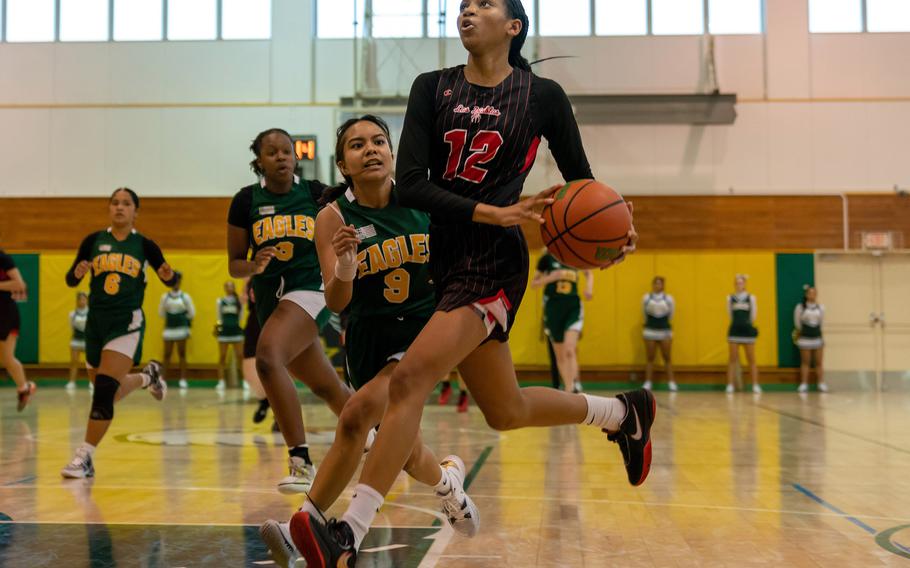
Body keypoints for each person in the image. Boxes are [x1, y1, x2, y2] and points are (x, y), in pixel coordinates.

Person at [287, 3, 651, 565]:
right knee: (504, 411)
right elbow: (408, 183)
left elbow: (583, 183)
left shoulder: (542, 96)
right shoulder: (431, 87)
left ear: (513, 26)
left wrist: (613, 233)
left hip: (494, 264)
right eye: (463, 5)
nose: (467, 11)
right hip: (449, 257)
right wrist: (490, 210)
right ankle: (622, 413)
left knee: (408, 380)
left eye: (483, 4)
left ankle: (348, 532)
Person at [261, 115, 479, 568]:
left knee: (356, 415)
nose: (372, 149)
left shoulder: (424, 201)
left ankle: (308, 524)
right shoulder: (332, 217)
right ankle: (448, 484)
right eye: (357, 145)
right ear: (343, 164)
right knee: (405, 452)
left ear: (393, 153)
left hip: (422, 333)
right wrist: (345, 264)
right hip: (367, 338)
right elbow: (337, 302)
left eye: (379, 141)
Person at [227, 128, 353, 494]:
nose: (281, 156)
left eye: (287, 151)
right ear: (259, 161)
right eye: (272, 152)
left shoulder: (316, 193)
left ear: (296, 158)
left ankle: (300, 462)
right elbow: (235, 264)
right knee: (327, 386)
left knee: (267, 357)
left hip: (312, 290)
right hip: (272, 301)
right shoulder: (244, 201)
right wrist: (254, 266)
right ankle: (378, 437)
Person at [60, 187, 171, 478]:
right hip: (96, 323)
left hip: (126, 322)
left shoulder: (145, 245)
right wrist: (78, 273)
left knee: (104, 392)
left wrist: (171, 276)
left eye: (126, 203)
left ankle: (84, 456)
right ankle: (149, 376)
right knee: (104, 392)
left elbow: (171, 277)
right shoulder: (93, 241)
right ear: (109, 208)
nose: (119, 207)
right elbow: (71, 279)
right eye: (115, 203)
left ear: (136, 211)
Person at [531, 249, 593, 393]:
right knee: (560, 355)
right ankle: (568, 387)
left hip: (572, 306)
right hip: (553, 308)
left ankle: (573, 387)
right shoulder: (546, 259)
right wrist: (550, 278)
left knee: (570, 349)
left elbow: (589, 273)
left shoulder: (574, 253)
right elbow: (534, 284)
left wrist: (589, 288)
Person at [0, 249, 36, 411]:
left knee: (7, 359)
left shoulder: (3, 258)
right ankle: (24, 387)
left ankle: (24, 388)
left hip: (5, 313)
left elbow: (19, 284)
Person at [159, 272, 194, 389]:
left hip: (181, 329)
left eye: (178, 281)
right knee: (166, 355)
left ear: (180, 282)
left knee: (182, 354)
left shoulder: (185, 297)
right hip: (169, 329)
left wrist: (181, 318)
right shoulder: (165, 297)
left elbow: (192, 313)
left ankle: (183, 379)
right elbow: (161, 313)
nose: (176, 284)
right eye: (174, 281)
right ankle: (162, 379)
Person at [726, 274, 760, 394]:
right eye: (737, 283)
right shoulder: (730, 298)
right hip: (734, 330)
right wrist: (737, 323)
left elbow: (753, 315)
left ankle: (755, 385)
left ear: (745, 284)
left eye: (741, 283)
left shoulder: (751, 298)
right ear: (734, 284)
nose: (739, 285)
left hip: (747, 331)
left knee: (751, 359)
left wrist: (747, 325)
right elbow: (729, 314)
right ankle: (730, 385)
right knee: (732, 359)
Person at [642, 276, 676, 391]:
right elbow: (644, 313)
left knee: (667, 357)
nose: (658, 286)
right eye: (656, 284)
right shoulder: (647, 298)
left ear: (663, 285)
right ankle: (648, 382)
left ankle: (671, 382)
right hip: (650, 331)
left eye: (660, 283)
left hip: (665, 331)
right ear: (653, 285)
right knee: (650, 357)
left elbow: (671, 314)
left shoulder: (669, 299)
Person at [794, 285, 827, 393]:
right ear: (806, 294)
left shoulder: (821, 307)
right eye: (810, 293)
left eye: (814, 293)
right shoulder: (800, 307)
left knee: (819, 362)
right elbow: (797, 323)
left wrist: (817, 332)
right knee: (805, 362)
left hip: (817, 337)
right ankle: (804, 384)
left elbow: (822, 323)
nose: (812, 295)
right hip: (805, 338)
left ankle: (821, 383)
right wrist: (805, 331)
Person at [215, 280, 245, 391]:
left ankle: (245, 381)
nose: (229, 288)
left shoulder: (239, 302)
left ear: (234, 288)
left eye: (231, 286)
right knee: (222, 356)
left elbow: (240, 317)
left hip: (236, 332)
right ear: (224, 288)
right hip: (224, 333)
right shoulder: (220, 301)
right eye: (227, 286)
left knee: (240, 356)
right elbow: (219, 317)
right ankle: (221, 381)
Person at [66, 292, 90, 391]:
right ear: (77, 301)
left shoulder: (91, 313)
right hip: (76, 340)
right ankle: (72, 382)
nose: (82, 301)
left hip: (88, 341)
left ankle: (92, 383)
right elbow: (71, 327)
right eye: (80, 299)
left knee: (91, 363)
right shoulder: (72, 314)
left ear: (87, 300)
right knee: (74, 362)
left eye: (84, 299)